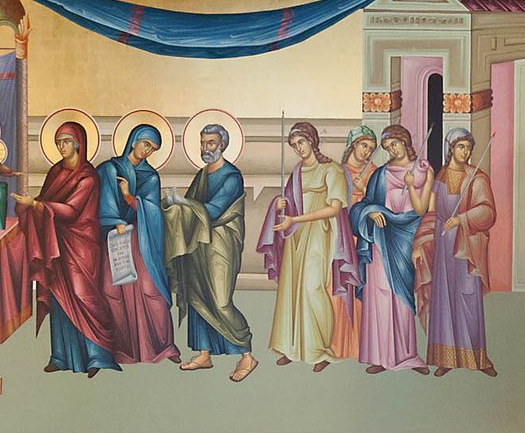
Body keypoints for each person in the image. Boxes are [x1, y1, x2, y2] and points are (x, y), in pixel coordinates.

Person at [16, 120, 119, 377]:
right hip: (56, 243)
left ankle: (98, 355)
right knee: (59, 296)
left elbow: (72, 210)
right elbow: (46, 200)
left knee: (84, 295)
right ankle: (61, 356)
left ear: (78, 144)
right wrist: (30, 205)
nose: (61, 146)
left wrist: (38, 206)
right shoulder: (55, 172)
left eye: (66, 142)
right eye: (58, 142)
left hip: (81, 244)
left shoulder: (88, 176)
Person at [256, 121, 354, 370]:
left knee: (313, 288)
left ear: (312, 140)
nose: (298, 149)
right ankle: (292, 347)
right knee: (291, 290)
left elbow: (335, 208)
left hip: (320, 235)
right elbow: (291, 202)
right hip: (296, 237)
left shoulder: (331, 170)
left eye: (301, 142)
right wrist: (281, 204)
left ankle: (320, 349)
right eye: (294, 145)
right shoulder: (298, 172)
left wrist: (295, 219)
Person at [164, 122, 257, 381]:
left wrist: (181, 202)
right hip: (199, 244)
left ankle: (247, 354)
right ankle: (204, 354)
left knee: (220, 300)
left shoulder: (231, 176)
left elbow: (214, 210)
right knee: (197, 296)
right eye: (203, 143)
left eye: (211, 143)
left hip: (221, 244)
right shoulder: (202, 174)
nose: (206, 148)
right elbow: (191, 209)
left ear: (223, 144)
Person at [347, 125, 432, 374]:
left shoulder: (422, 169)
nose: (391, 149)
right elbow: (361, 206)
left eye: (394, 144)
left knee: (401, 298)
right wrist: (371, 211)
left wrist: (415, 182)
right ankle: (379, 356)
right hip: (380, 242)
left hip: (405, 239)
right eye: (387, 147)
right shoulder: (380, 174)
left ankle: (407, 356)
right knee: (380, 296)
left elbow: (420, 211)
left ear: (405, 142)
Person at [98, 124, 181, 364]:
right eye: (146, 144)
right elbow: (97, 200)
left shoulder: (151, 176)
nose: (147, 151)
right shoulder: (108, 169)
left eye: (152, 148)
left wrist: (128, 196)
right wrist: (114, 220)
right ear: (134, 140)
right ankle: (122, 349)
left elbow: (153, 212)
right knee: (113, 292)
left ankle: (163, 346)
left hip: (141, 240)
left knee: (150, 289)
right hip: (114, 240)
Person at [425, 129, 498, 377]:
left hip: (466, 248)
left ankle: (477, 357)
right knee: (445, 300)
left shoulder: (477, 178)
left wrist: (461, 219)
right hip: (443, 247)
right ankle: (447, 357)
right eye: (460, 147)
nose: (465, 152)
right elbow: (431, 211)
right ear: (451, 149)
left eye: (468, 147)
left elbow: (488, 212)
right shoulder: (441, 177)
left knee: (468, 298)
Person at [330, 127, 380, 360]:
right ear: (353, 144)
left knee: (359, 288)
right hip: (340, 236)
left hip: (361, 239)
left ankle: (359, 346)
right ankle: (336, 346)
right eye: (363, 145)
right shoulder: (337, 171)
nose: (366, 151)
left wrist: (363, 198)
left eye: (371, 148)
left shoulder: (374, 173)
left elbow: (379, 202)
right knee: (337, 290)